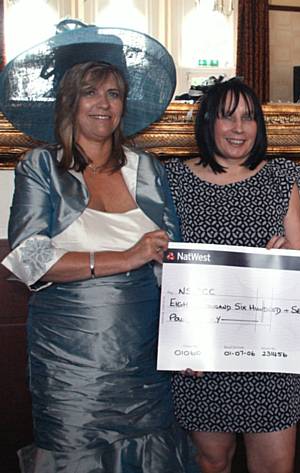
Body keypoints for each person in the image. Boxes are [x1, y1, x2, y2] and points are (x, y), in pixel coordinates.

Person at [0, 21, 190, 472]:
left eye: (114, 94)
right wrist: (127, 257)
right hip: (71, 366)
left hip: (145, 362)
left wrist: (187, 342)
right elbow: (28, 260)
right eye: (91, 92)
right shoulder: (41, 167)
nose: (103, 105)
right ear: (69, 99)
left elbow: (174, 264)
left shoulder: (146, 168)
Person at [165, 77, 300, 473]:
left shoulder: (281, 178)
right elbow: (163, 268)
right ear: (208, 121)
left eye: (249, 118)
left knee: (276, 465)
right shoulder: (173, 180)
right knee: (211, 462)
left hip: (271, 352)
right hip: (201, 354)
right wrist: (180, 342)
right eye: (227, 117)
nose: (240, 128)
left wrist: (290, 258)